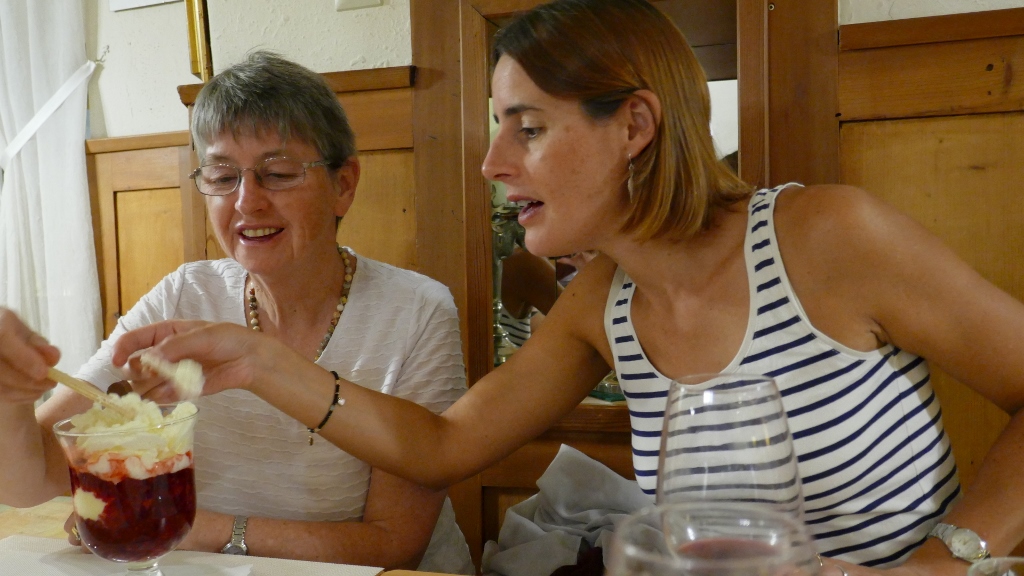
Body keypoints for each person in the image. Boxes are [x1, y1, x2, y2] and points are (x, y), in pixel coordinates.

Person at [39, 1, 1024, 574]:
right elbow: (444, 446)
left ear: (634, 126)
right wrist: (259, 361)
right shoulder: (604, 303)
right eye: (495, 125)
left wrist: (942, 564)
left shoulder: (827, 237)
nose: (493, 163)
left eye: (529, 126)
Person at [0, 51, 475, 574]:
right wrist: (9, 396)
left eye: (279, 173)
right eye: (223, 177)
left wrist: (193, 528)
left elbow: (395, 546)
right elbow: (30, 479)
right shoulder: (184, 294)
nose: (248, 202)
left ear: (343, 185)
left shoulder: (415, 312)